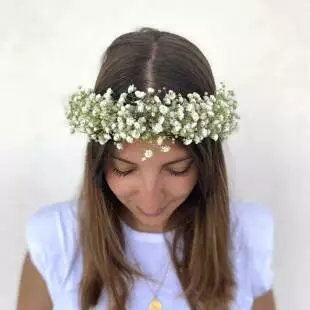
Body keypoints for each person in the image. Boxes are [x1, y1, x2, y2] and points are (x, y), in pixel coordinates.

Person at [17, 27, 276, 310]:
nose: (150, 200)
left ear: (206, 161)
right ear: (100, 159)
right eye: (124, 169)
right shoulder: (55, 239)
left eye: (176, 169)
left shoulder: (248, 235)